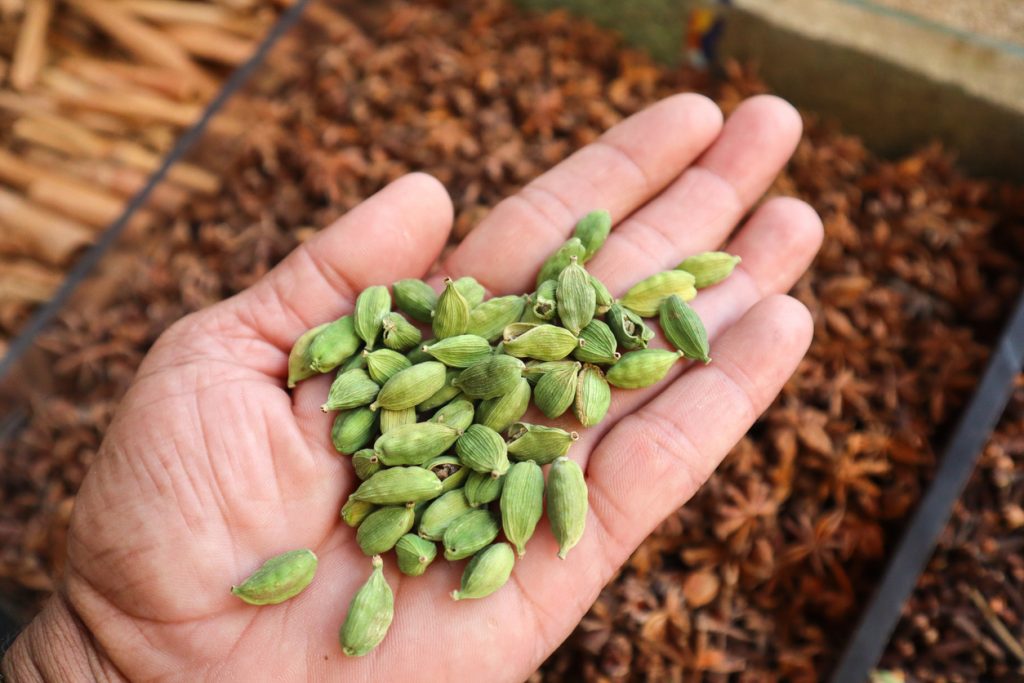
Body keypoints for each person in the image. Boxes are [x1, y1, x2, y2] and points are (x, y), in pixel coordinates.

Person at [1, 94, 822, 681]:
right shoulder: (413, 409)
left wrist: (95, 658)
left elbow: (485, 406)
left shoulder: (521, 382)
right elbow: (433, 422)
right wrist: (101, 651)